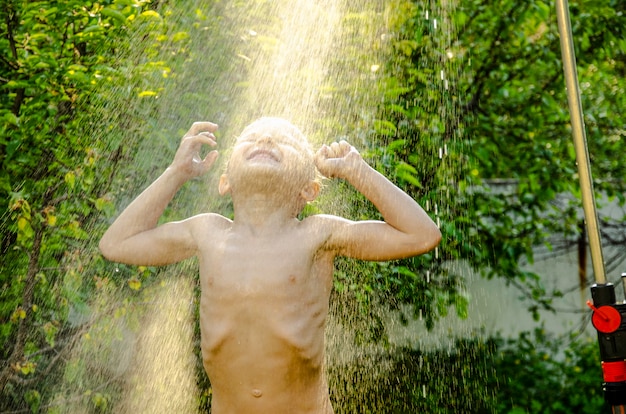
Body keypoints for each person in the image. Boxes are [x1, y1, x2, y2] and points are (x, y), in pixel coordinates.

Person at [99, 117, 441, 414]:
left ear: (308, 189)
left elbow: (421, 235)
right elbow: (116, 244)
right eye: (250, 138)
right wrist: (176, 173)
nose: (265, 140)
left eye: (286, 142)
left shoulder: (317, 235)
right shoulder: (206, 232)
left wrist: (358, 171)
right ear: (225, 181)